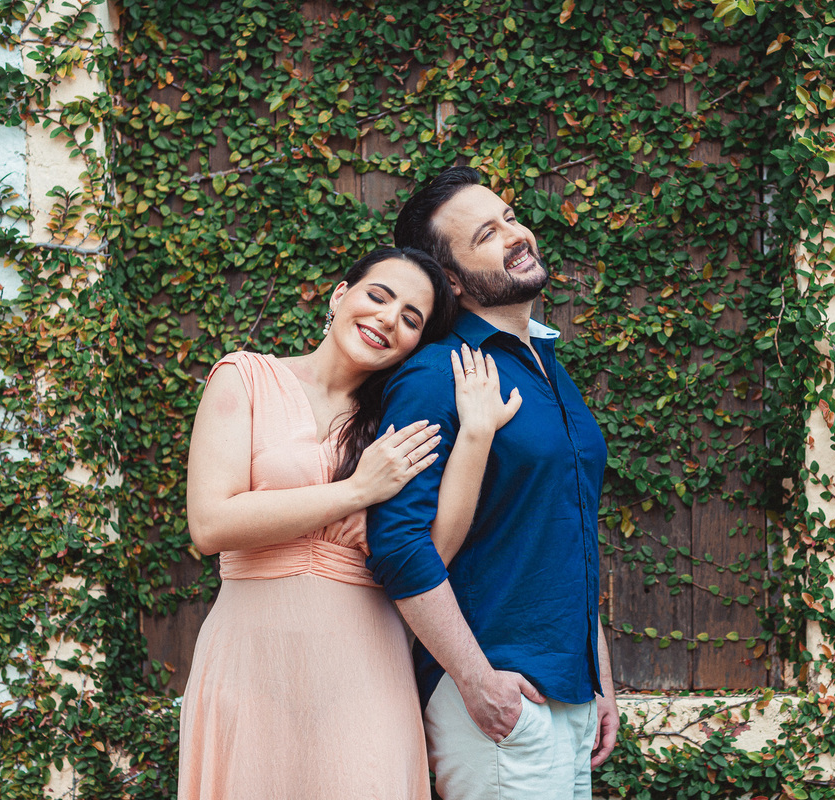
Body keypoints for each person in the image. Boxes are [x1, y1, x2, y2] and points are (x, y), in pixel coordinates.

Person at [177, 246, 522, 800]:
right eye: (378, 297)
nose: (389, 319)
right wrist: (356, 492)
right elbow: (212, 523)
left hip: (364, 672)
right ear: (340, 295)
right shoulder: (244, 378)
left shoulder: (397, 415)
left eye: (411, 319)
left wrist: (477, 435)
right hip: (249, 663)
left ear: (416, 343)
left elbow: (433, 549)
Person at [366, 167, 619, 800]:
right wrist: (476, 681)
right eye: (486, 233)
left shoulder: (546, 365)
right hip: (498, 700)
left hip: (568, 691)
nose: (515, 234)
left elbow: (566, 532)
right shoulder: (437, 375)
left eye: (509, 215)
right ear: (451, 279)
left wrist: (600, 676)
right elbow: (399, 544)